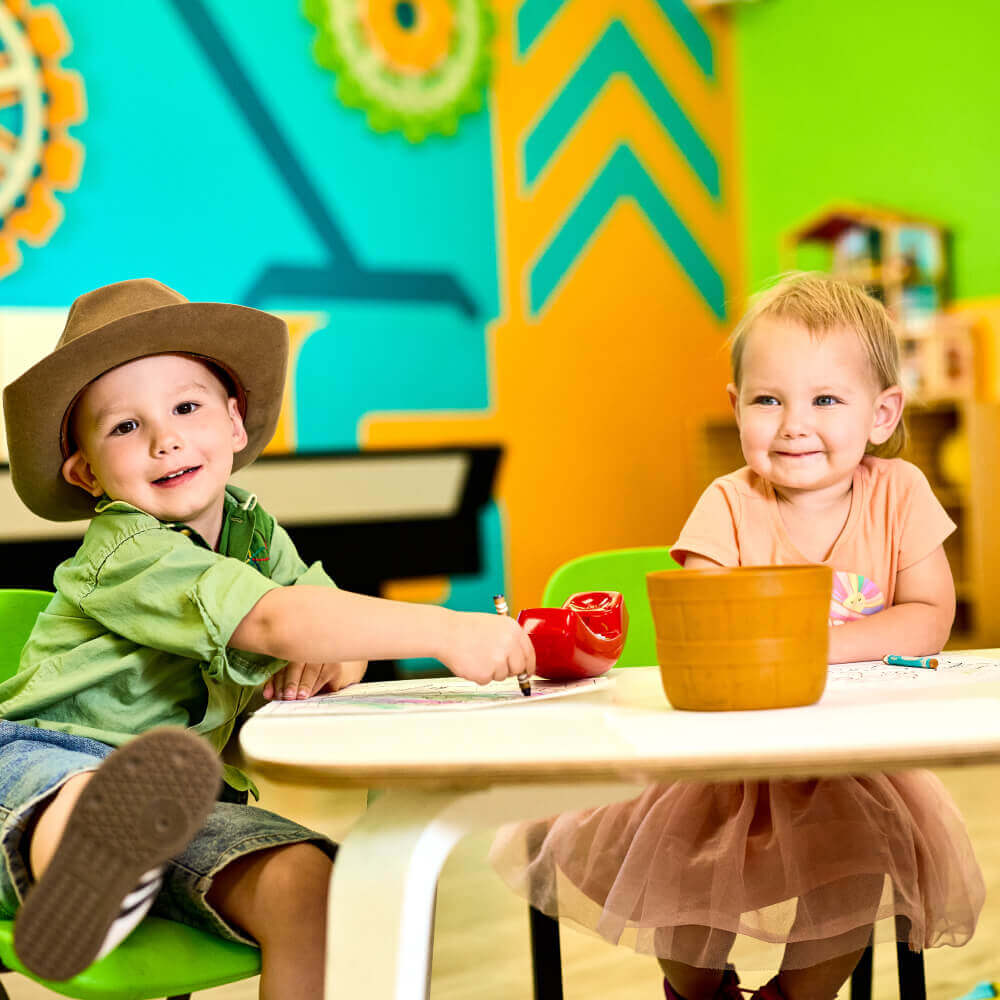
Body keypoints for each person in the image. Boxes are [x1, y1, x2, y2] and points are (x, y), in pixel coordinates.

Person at [0, 278, 534, 997]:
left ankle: (117, 872)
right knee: (83, 791)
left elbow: (321, 620)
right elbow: (279, 620)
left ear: (234, 423)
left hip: (182, 806)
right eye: (125, 427)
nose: (167, 438)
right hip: (39, 762)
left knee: (306, 881)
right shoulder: (124, 549)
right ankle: (86, 881)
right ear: (86, 472)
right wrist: (443, 629)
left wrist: (340, 654)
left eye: (186, 407)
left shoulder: (252, 535)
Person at [490, 273, 984, 1000]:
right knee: (685, 866)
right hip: (725, 760)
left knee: (862, 854)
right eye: (767, 399)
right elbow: (705, 628)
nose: (794, 423)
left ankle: (794, 997)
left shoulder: (899, 493)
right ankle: (699, 993)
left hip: (852, 760)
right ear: (736, 407)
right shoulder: (727, 503)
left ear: (880, 414)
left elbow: (928, 618)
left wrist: (805, 649)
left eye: (825, 399)